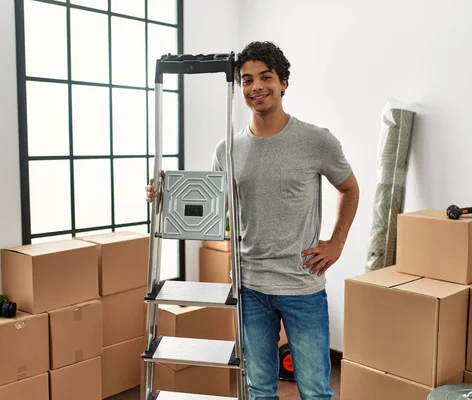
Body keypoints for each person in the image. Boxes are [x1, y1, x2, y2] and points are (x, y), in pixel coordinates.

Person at [146, 41, 359, 400]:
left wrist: (337, 242)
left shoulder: (316, 140)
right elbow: (214, 210)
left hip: (301, 286)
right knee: (259, 388)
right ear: (239, 88)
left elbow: (349, 189)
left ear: (283, 83)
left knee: (315, 391)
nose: (256, 86)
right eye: (246, 80)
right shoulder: (227, 148)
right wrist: (165, 196)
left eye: (265, 77)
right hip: (249, 286)